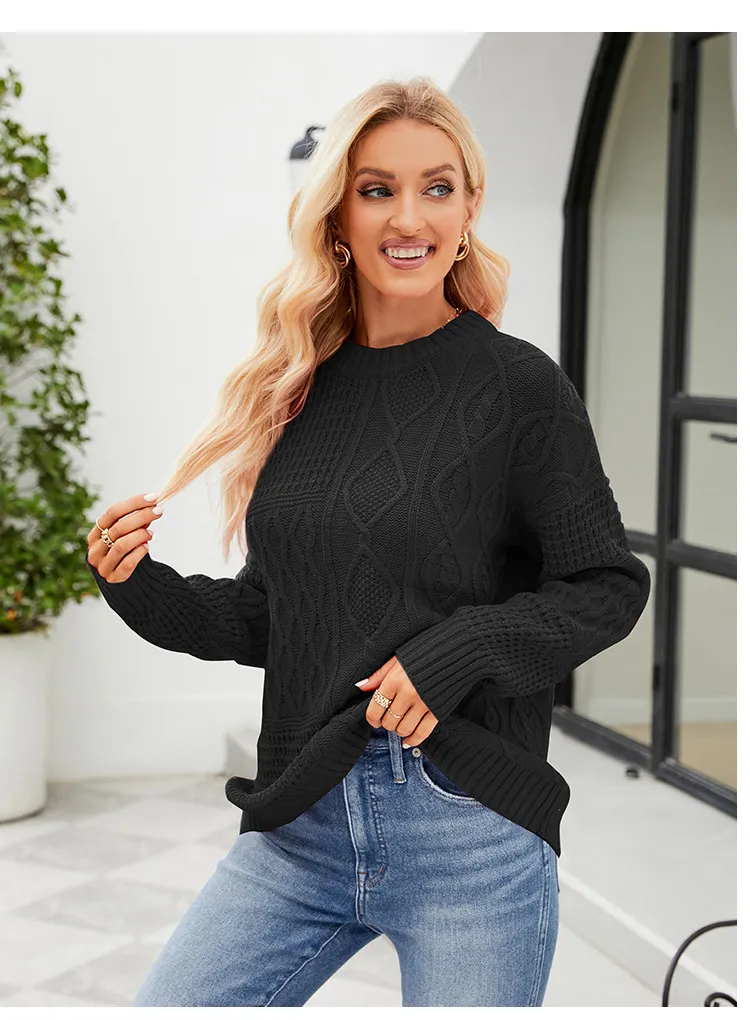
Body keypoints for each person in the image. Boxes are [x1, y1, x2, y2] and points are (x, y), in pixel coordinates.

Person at [85, 76, 651, 1007]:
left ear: (469, 208)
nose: (409, 216)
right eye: (377, 188)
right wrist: (137, 583)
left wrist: (456, 653)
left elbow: (606, 585)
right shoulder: (297, 392)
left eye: (438, 187)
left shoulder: (518, 388)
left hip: (467, 829)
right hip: (300, 818)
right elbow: (274, 617)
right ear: (338, 217)